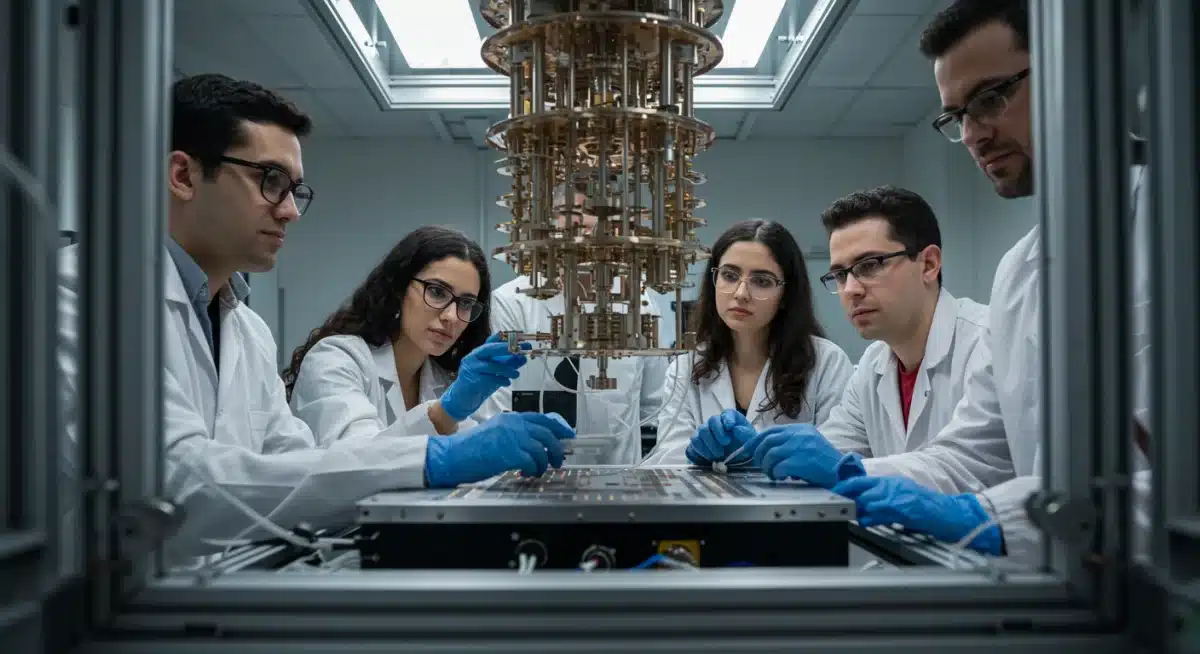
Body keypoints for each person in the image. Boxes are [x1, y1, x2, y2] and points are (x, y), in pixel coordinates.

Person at [56, 74, 573, 562]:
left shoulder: (247, 331)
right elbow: (171, 488)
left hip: (216, 593)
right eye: (271, 181)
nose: (290, 211)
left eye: (295, 189)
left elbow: (304, 475)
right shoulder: (81, 295)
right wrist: (435, 455)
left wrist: (444, 431)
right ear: (184, 175)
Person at [796, 186, 994, 467]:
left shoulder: (989, 344)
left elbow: (969, 467)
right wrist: (758, 453)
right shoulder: (871, 367)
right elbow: (827, 455)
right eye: (840, 275)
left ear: (928, 264)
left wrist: (856, 472)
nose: (851, 289)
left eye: (869, 265)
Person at [284, 226, 525, 446]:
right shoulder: (336, 360)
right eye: (437, 292)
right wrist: (444, 414)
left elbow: (470, 447)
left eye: (466, 303)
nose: (451, 316)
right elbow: (354, 460)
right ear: (398, 288)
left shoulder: (440, 379)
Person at [640, 219, 854, 467]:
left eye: (761, 281)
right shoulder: (685, 368)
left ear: (786, 295)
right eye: (729, 276)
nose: (741, 293)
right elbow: (668, 463)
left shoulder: (826, 364)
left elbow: (838, 461)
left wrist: (758, 459)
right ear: (714, 281)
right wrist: (695, 456)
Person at [490, 185, 668, 465]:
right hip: (535, 477)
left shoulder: (639, 301)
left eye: (592, 213)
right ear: (546, 225)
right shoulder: (512, 301)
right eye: (566, 213)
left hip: (621, 480)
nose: (581, 224)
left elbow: (654, 404)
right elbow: (497, 407)